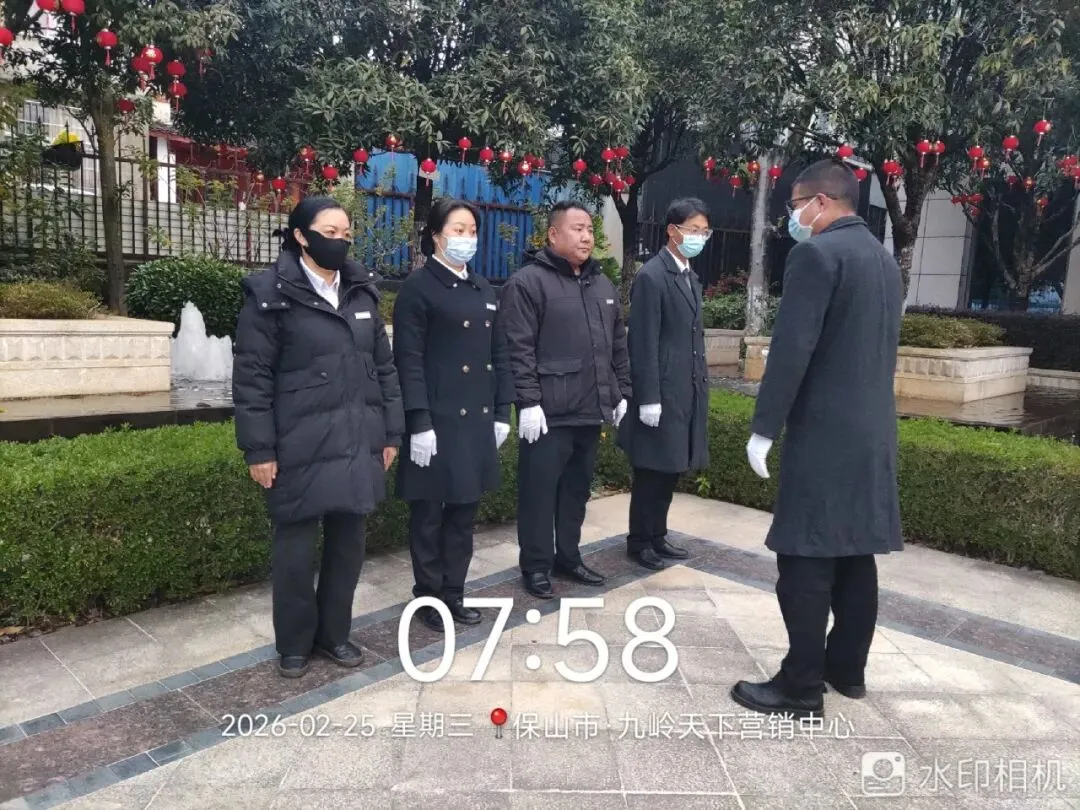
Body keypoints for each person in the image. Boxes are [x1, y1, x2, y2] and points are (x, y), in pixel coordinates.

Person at [730, 160, 904, 718]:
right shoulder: (882, 259)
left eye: (795, 205)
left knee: (804, 555)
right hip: (872, 431)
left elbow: (791, 351)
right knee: (854, 553)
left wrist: (764, 428)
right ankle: (846, 669)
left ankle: (800, 686)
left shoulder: (817, 255)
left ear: (821, 202)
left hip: (826, 434)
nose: (793, 217)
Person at [233, 196, 404, 678]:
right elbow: (252, 378)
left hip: (357, 440)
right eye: (329, 232)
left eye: (346, 233)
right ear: (301, 236)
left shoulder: (361, 291)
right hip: (298, 443)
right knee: (295, 550)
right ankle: (293, 643)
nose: (340, 241)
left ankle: (334, 635)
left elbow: (384, 370)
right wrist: (259, 448)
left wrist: (390, 433)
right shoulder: (270, 294)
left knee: (348, 548)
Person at [498, 200, 632, 598]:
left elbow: (617, 346)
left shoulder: (602, 284)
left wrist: (621, 393)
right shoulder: (528, 283)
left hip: (590, 410)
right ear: (553, 234)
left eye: (590, 229)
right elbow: (518, 348)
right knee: (539, 494)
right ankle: (536, 565)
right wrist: (528, 402)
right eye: (577, 229)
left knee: (576, 491)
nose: (586, 237)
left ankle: (568, 557)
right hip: (548, 413)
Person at [392, 198, 515, 632]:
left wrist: (501, 411)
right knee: (428, 515)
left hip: (475, 419)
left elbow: (500, 355)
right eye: (457, 230)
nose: (466, 239)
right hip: (437, 419)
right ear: (436, 235)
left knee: (463, 514)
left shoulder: (484, 289)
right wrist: (418, 421)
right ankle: (429, 598)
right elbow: (408, 361)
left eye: (472, 231)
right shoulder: (418, 288)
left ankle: (454, 593)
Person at [618, 197, 711, 570]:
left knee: (671, 467)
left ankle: (658, 534)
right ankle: (639, 540)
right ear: (672, 231)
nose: (699, 237)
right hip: (661, 392)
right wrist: (648, 397)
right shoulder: (652, 276)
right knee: (651, 471)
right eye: (693, 230)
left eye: (704, 231)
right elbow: (643, 341)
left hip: (685, 390)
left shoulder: (689, 275)